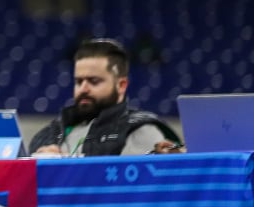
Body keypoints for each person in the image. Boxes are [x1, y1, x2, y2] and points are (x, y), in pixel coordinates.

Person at [26, 38, 181, 158]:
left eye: (94, 81)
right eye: (79, 81)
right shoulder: (53, 131)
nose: (83, 88)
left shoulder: (141, 130)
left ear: (121, 85)